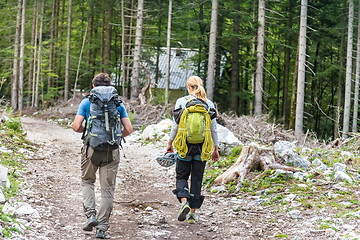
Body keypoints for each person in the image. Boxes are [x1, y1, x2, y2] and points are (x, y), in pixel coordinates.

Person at [72, 73, 132, 239]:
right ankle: (102, 228)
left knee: (87, 181)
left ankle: (90, 216)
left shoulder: (87, 102)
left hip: (91, 148)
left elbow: (76, 126)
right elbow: (129, 129)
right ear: (109, 85)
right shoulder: (117, 103)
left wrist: (89, 131)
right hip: (111, 150)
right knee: (107, 191)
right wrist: (116, 136)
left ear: (93, 86)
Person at [166, 75, 219, 224]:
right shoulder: (208, 104)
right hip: (203, 147)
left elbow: (175, 126)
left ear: (188, 87)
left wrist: (170, 142)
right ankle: (192, 215)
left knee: (182, 175)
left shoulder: (181, 102)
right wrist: (215, 148)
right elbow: (213, 129)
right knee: (197, 178)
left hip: (184, 146)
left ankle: (184, 202)